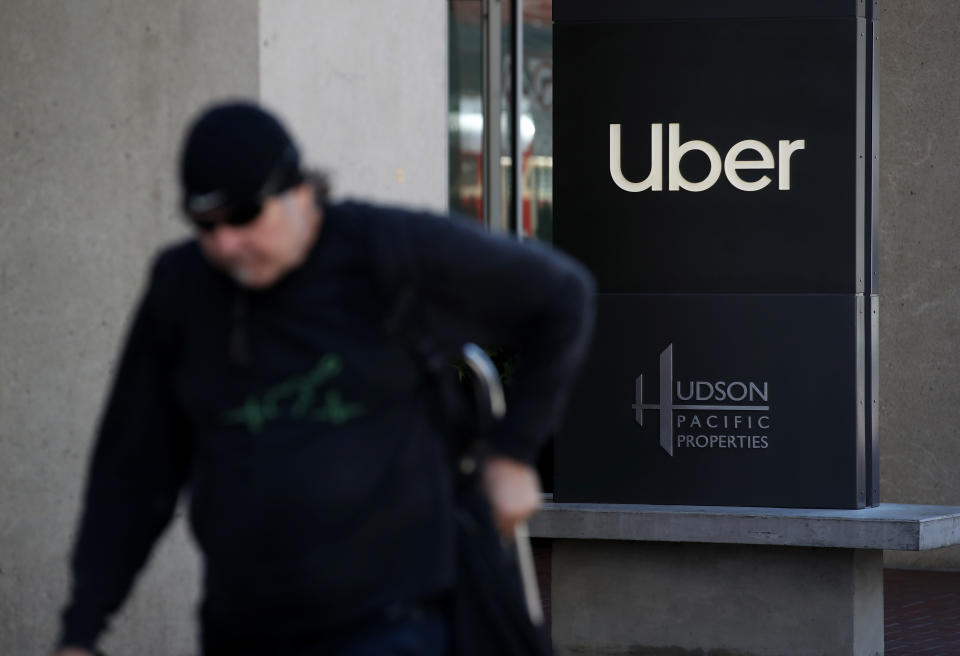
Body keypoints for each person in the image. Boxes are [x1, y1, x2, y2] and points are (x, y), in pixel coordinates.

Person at [55, 101, 595, 656]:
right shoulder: (182, 289)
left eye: (242, 218)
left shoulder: (385, 250)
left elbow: (562, 296)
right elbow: (133, 468)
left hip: (391, 618)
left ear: (300, 192)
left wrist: (514, 453)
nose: (224, 244)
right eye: (205, 226)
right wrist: (82, 629)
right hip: (245, 624)